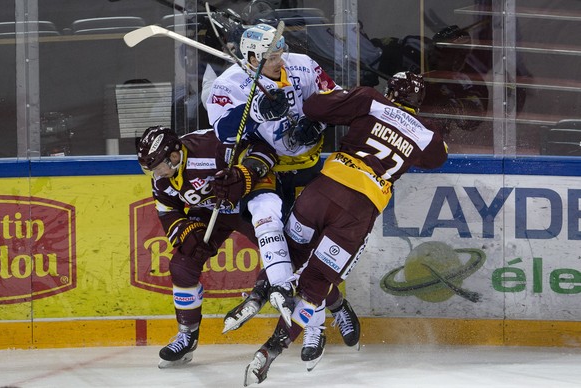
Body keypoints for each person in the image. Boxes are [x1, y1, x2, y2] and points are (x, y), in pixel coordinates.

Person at [243, 71, 449, 385]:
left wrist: (344, 93)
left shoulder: (370, 99)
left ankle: (258, 295)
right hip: (358, 212)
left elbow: (313, 107)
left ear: (390, 90)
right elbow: (438, 157)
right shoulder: (427, 134)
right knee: (315, 288)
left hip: (322, 192)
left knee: (291, 253)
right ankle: (271, 350)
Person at [206, 23, 360, 369]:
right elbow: (223, 131)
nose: (280, 58)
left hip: (308, 168)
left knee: (314, 253)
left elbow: (332, 98)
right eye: (271, 55)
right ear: (251, 57)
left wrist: (317, 124)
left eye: (281, 50)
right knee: (290, 251)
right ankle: (319, 320)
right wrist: (258, 111)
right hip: (266, 172)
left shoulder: (303, 64)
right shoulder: (227, 84)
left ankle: (321, 322)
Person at [136, 125, 277, 368]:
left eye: (158, 165)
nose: (156, 173)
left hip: (249, 204)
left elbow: (266, 150)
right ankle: (187, 336)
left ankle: (335, 305)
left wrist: (243, 176)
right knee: (182, 265)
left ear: (173, 155)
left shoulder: (211, 144)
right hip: (210, 213)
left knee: (286, 255)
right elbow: (168, 211)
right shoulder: (162, 179)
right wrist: (187, 234)